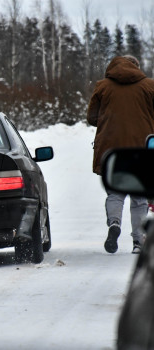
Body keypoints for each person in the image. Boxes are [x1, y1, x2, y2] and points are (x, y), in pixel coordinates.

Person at [87, 55, 154, 254]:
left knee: (115, 193)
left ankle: (114, 224)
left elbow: (91, 118)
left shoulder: (103, 86)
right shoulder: (150, 86)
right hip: (141, 147)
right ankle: (138, 241)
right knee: (139, 197)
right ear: (137, 67)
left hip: (112, 149)